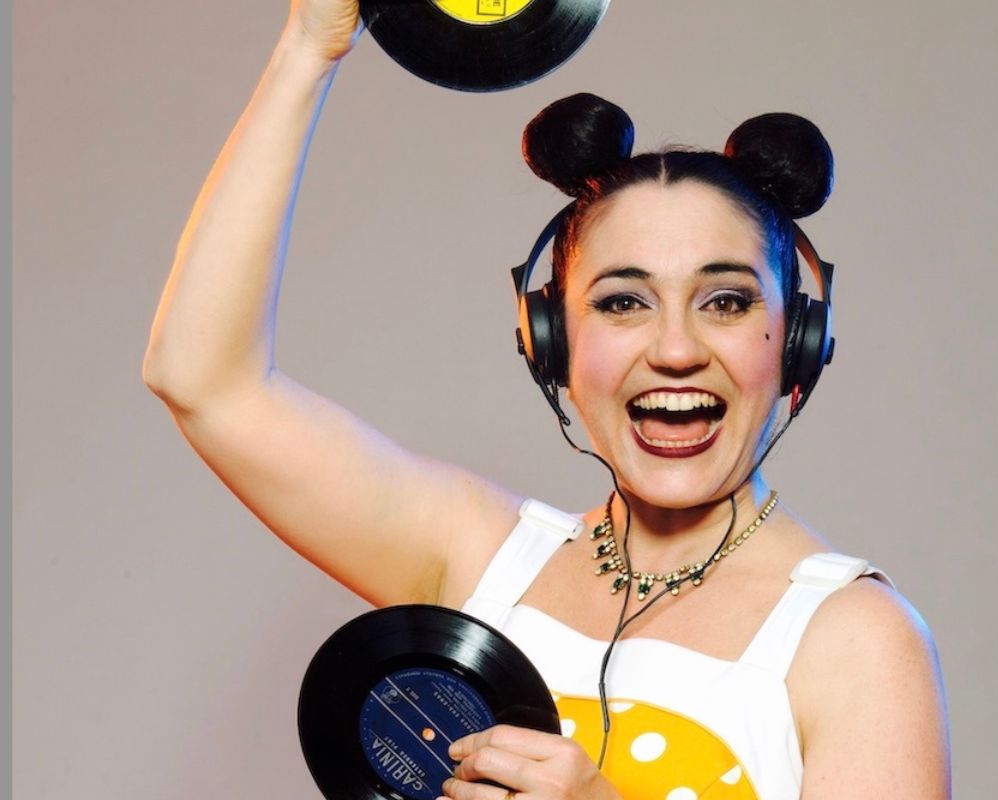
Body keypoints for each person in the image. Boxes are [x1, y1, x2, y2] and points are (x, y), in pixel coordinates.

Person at [142, 1, 952, 798]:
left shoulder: (854, 641)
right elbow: (204, 379)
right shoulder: (483, 560)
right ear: (551, 345)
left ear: (798, 343)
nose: (675, 350)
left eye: (727, 302)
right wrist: (307, 48)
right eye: (623, 302)